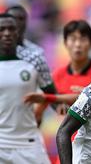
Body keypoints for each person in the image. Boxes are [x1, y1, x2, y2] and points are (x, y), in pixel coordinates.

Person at [26, 20, 91, 126]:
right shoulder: (57, 76)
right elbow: (40, 108)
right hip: (67, 139)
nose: (78, 44)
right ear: (65, 43)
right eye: (73, 39)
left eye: (83, 39)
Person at [0, 13, 53, 163]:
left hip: (28, 141)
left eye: (11, 29)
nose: (7, 34)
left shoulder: (34, 60)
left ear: (18, 32)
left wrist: (40, 110)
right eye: (2, 29)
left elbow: (52, 95)